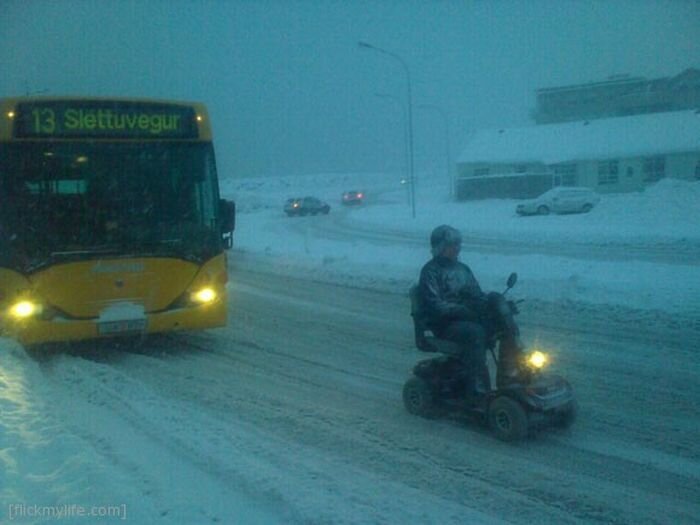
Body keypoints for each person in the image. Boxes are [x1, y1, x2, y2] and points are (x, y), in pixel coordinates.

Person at [417, 224, 491, 398]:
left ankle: (514, 376)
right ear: (440, 247)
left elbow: (476, 294)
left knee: (497, 326)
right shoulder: (430, 272)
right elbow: (436, 305)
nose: (457, 249)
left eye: (458, 245)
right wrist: (462, 311)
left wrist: (491, 305)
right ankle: (474, 390)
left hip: (464, 319)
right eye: (452, 245)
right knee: (476, 333)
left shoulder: (462, 269)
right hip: (444, 324)